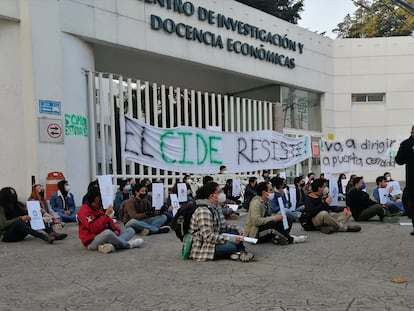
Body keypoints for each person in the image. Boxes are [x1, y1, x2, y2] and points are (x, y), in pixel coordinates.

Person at [188, 182, 254, 262]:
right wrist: (231, 239)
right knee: (231, 246)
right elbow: (209, 237)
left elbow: (224, 225)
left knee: (237, 234)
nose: (222, 194)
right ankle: (239, 251)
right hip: (203, 246)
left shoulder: (216, 207)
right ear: (211, 196)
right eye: (219, 192)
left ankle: (240, 252)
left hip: (215, 239)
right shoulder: (203, 211)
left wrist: (239, 229)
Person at [77, 186, 143, 253]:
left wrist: (116, 230)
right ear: (96, 198)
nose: (102, 202)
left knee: (130, 230)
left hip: (105, 238)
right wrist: (106, 216)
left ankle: (110, 245)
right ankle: (128, 244)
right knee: (108, 233)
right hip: (92, 241)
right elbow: (93, 228)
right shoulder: (84, 211)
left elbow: (109, 222)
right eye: (100, 199)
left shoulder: (98, 208)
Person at [395, 125, 414, 236]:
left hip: (412, 181)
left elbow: (399, 160)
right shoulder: (406, 144)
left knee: (411, 202)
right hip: (412, 181)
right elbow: (399, 160)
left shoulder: (406, 144)